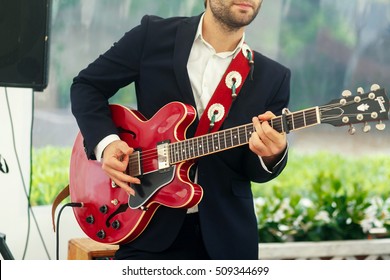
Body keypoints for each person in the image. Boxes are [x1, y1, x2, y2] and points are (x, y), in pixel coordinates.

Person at [70, 0, 290, 260]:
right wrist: (107, 144)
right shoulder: (152, 36)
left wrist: (271, 155)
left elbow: (251, 169)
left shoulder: (274, 77)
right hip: (147, 229)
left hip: (228, 243)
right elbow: (86, 86)